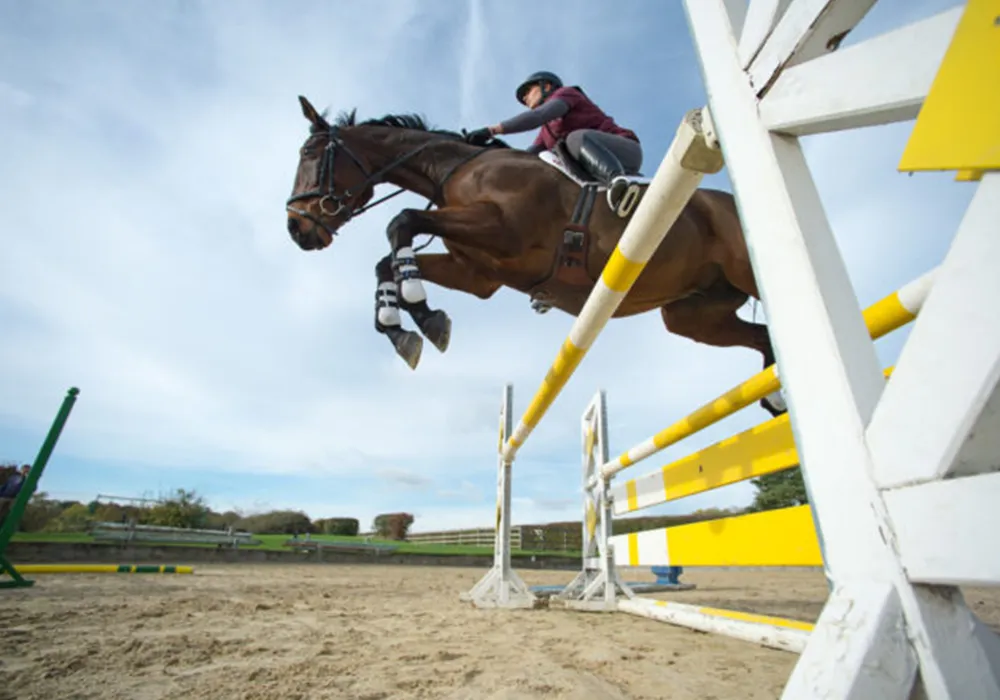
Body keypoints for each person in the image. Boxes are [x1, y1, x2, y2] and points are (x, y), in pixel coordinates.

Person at [465, 71, 644, 212]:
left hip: (624, 151)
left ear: (547, 86)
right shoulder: (546, 131)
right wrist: (489, 151)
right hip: (593, 173)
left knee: (573, 138)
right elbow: (526, 158)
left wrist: (492, 130)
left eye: (528, 91)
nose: (526, 98)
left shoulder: (567, 94)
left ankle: (617, 181)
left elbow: (538, 116)